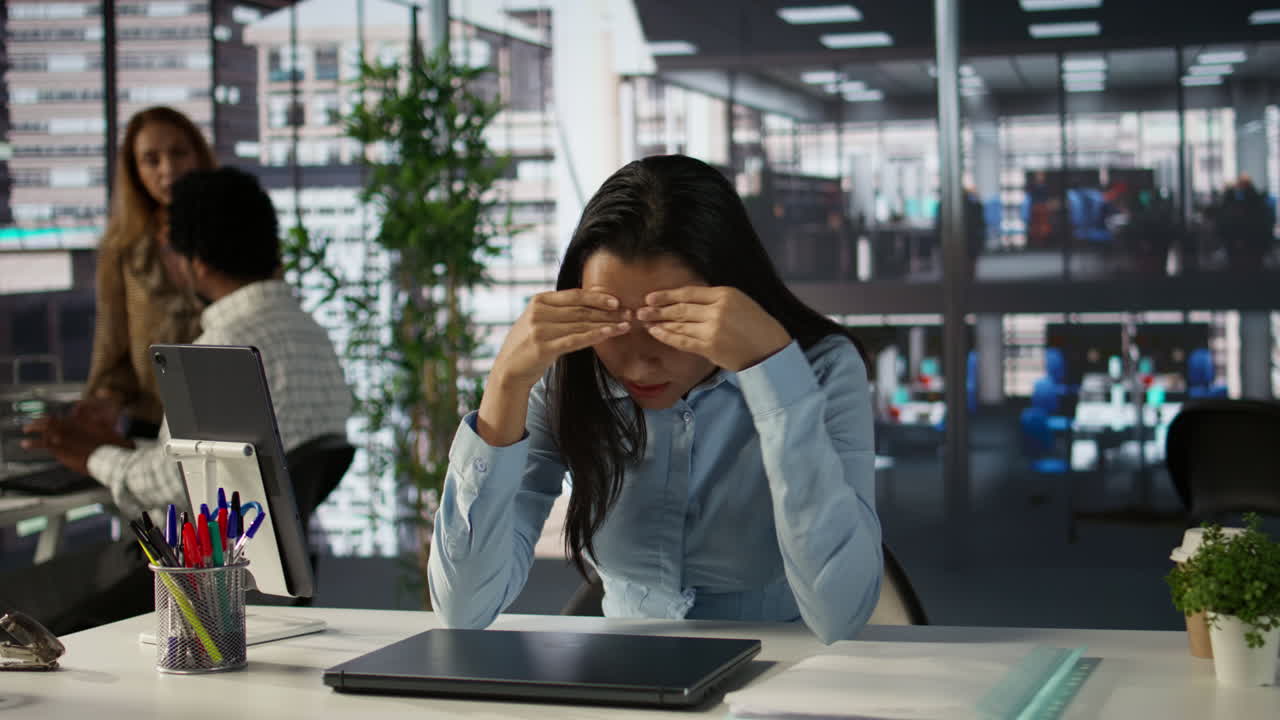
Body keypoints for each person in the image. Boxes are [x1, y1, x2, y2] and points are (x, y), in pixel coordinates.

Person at [428, 155, 882, 644]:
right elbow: (463, 609)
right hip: (625, 678)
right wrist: (504, 388)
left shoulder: (822, 368)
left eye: (671, 323)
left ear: (729, 300)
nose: (640, 363)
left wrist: (772, 375)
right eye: (613, 323)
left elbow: (841, 616)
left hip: (782, 677)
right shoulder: (569, 374)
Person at [10, 167, 352, 634]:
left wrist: (90, 454)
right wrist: (125, 451)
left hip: (192, 587)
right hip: (251, 582)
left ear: (198, 263)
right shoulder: (314, 336)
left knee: (13, 597)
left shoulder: (223, 348)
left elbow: (172, 487)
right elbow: (229, 462)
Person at [84, 106, 215, 438]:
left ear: (198, 155)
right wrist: (107, 400)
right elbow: (113, 351)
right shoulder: (122, 249)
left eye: (179, 153)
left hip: (230, 417)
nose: (168, 169)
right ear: (135, 171)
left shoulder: (238, 233)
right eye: (151, 159)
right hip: (152, 426)